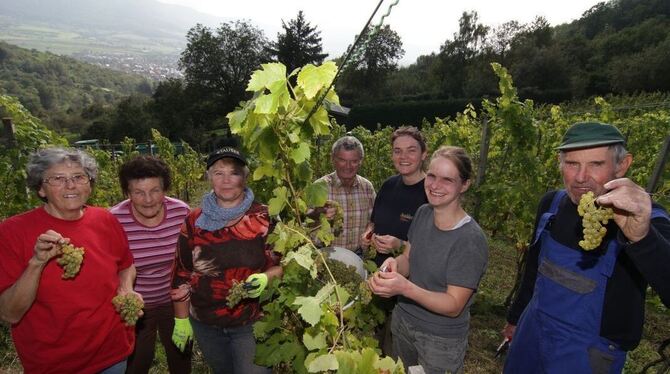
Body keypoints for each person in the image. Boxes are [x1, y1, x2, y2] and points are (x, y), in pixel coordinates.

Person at [502, 122, 670, 373]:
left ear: (621, 165)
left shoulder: (646, 219)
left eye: (596, 164)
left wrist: (641, 237)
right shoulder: (552, 204)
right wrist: (515, 319)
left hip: (587, 353)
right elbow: (533, 268)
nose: (581, 177)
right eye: (572, 164)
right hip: (532, 331)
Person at [0, 147, 138, 373]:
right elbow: (9, 313)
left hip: (113, 352)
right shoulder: (11, 233)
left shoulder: (105, 219)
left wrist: (126, 289)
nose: (71, 185)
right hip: (55, 363)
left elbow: (126, 265)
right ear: (41, 189)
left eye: (78, 177)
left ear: (89, 183)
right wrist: (36, 263)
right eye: (58, 179)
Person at [368, 146, 489, 374]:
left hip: (439, 341)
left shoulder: (469, 239)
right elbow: (408, 259)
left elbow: (454, 306)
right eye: (432, 176)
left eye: (447, 180)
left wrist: (404, 287)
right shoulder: (423, 213)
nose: (434, 185)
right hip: (404, 324)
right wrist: (394, 267)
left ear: (464, 185)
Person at [170, 145, 282, 374]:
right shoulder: (194, 221)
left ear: (245, 177)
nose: (226, 180)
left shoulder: (264, 217)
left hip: (252, 320)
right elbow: (182, 272)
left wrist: (266, 277)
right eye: (219, 173)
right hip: (206, 322)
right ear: (209, 177)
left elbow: (283, 265)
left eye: (234, 172)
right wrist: (181, 319)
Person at [110, 156, 191, 374]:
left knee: (181, 358)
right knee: (137, 362)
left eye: (155, 190)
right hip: (136, 305)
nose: (148, 199)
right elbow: (111, 266)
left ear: (165, 189)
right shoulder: (114, 220)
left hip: (175, 303)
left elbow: (191, 258)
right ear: (127, 194)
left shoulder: (181, 212)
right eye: (138, 192)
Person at [360, 126, 428, 355]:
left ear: (424, 154)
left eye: (411, 150)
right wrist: (368, 235)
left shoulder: (432, 193)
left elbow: (434, 247)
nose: (403, 157)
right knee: (373, 348)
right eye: (397, 151)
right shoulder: (389, 185)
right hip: (379, 281)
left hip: (411, 290)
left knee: (396, 351)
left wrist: (399, 245)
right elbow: (374, 222)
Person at [315, 135, 375, 252]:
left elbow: (373, 220)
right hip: (325, 257)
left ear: (360, 161)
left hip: (359, 256)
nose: (348, 166)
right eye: (342, 160)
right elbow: (305, 223)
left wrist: (369, 232)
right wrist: (318, 215)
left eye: (354, 161)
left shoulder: (367, 187)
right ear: (333, 159)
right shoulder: (320, 187)